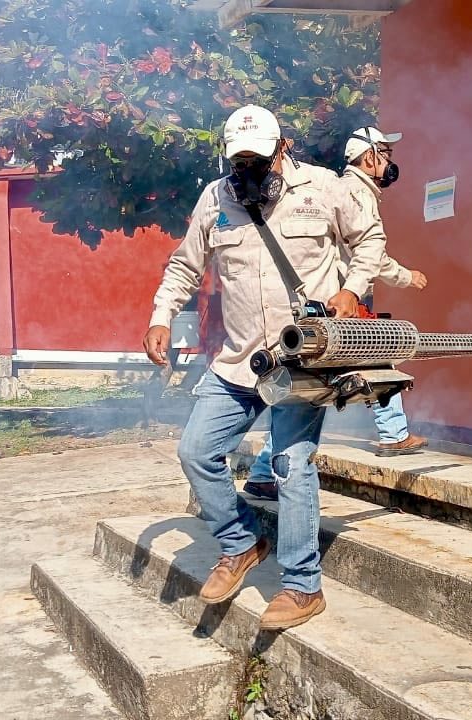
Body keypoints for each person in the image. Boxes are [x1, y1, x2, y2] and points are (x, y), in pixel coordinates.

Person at [143, 105, 386, 630]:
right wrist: (161, 316)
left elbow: (369, 239)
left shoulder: (324, 188)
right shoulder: (216, 197)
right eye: (239, 161)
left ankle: (302, 586)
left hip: (301, 359)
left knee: (290, 465)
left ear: (284, 147)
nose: (248, 170)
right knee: (196, 451)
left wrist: (351, 289)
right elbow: (186, 264)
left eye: (258, 159)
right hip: (239, 360)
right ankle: (243, 540)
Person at [243, 126, 429, 501]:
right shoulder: (357, 191)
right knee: (363, 368)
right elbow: (370, 255)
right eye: (386, 153)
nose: (390, 161)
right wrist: (406, 277)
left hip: (340, 302)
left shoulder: (356, 190)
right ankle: (393, 435)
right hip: (343, 304)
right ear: (370, 156)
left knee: (320, 383)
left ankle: (264, 472)